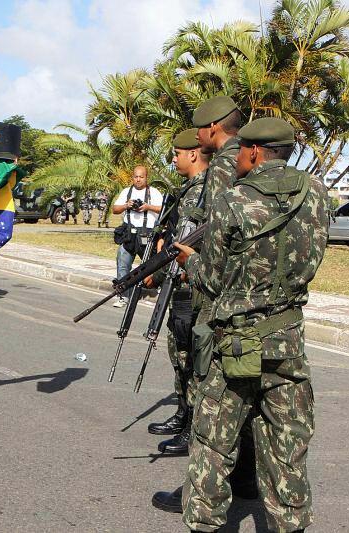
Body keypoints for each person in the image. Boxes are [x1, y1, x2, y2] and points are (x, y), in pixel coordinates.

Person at [174, 118, 329, 533]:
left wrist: (191, 261)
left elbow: (212, 278)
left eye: (241, 149)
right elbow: (312, 255)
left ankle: (205, 524)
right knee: (288, 444)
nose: (236, 156)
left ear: (256, 152)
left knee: (213, 444)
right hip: (288, 341)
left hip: (236, 345)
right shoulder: (315, 192)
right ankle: (290, 524)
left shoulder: (232, 199)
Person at [151, 97, 258, 514]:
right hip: (253, 295)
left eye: (198, 130)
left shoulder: (222, 169)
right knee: (246, 393)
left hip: (215, 297)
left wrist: (191, 267)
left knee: (210, 396)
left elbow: (218, 245)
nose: (195, 138)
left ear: (213, 128)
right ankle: (247, 477)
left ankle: (200, 491)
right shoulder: (252, 160)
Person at [144, 129, 209, 457]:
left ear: (194, 154)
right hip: (179, 281)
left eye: (177, 153)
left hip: (192, 285)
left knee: (189, 356)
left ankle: (193, 428)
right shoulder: (188, 191)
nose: (173, 158)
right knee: (178, 353)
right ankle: (184, 413)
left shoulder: (206, 191)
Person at [111, 165, 163, 308]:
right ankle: (123, 296)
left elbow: (164, 209)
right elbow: (115, 209)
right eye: (136, 177)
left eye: (141, 177)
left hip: (147, 234)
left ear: (147, 178)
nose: (138, 179)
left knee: (152, 265)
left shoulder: (154, 192)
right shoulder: (127, 192)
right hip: (129, 235)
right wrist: (126, 205)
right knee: (123, 264)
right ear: (132, 177)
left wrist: (148, 207)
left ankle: (158, 291)